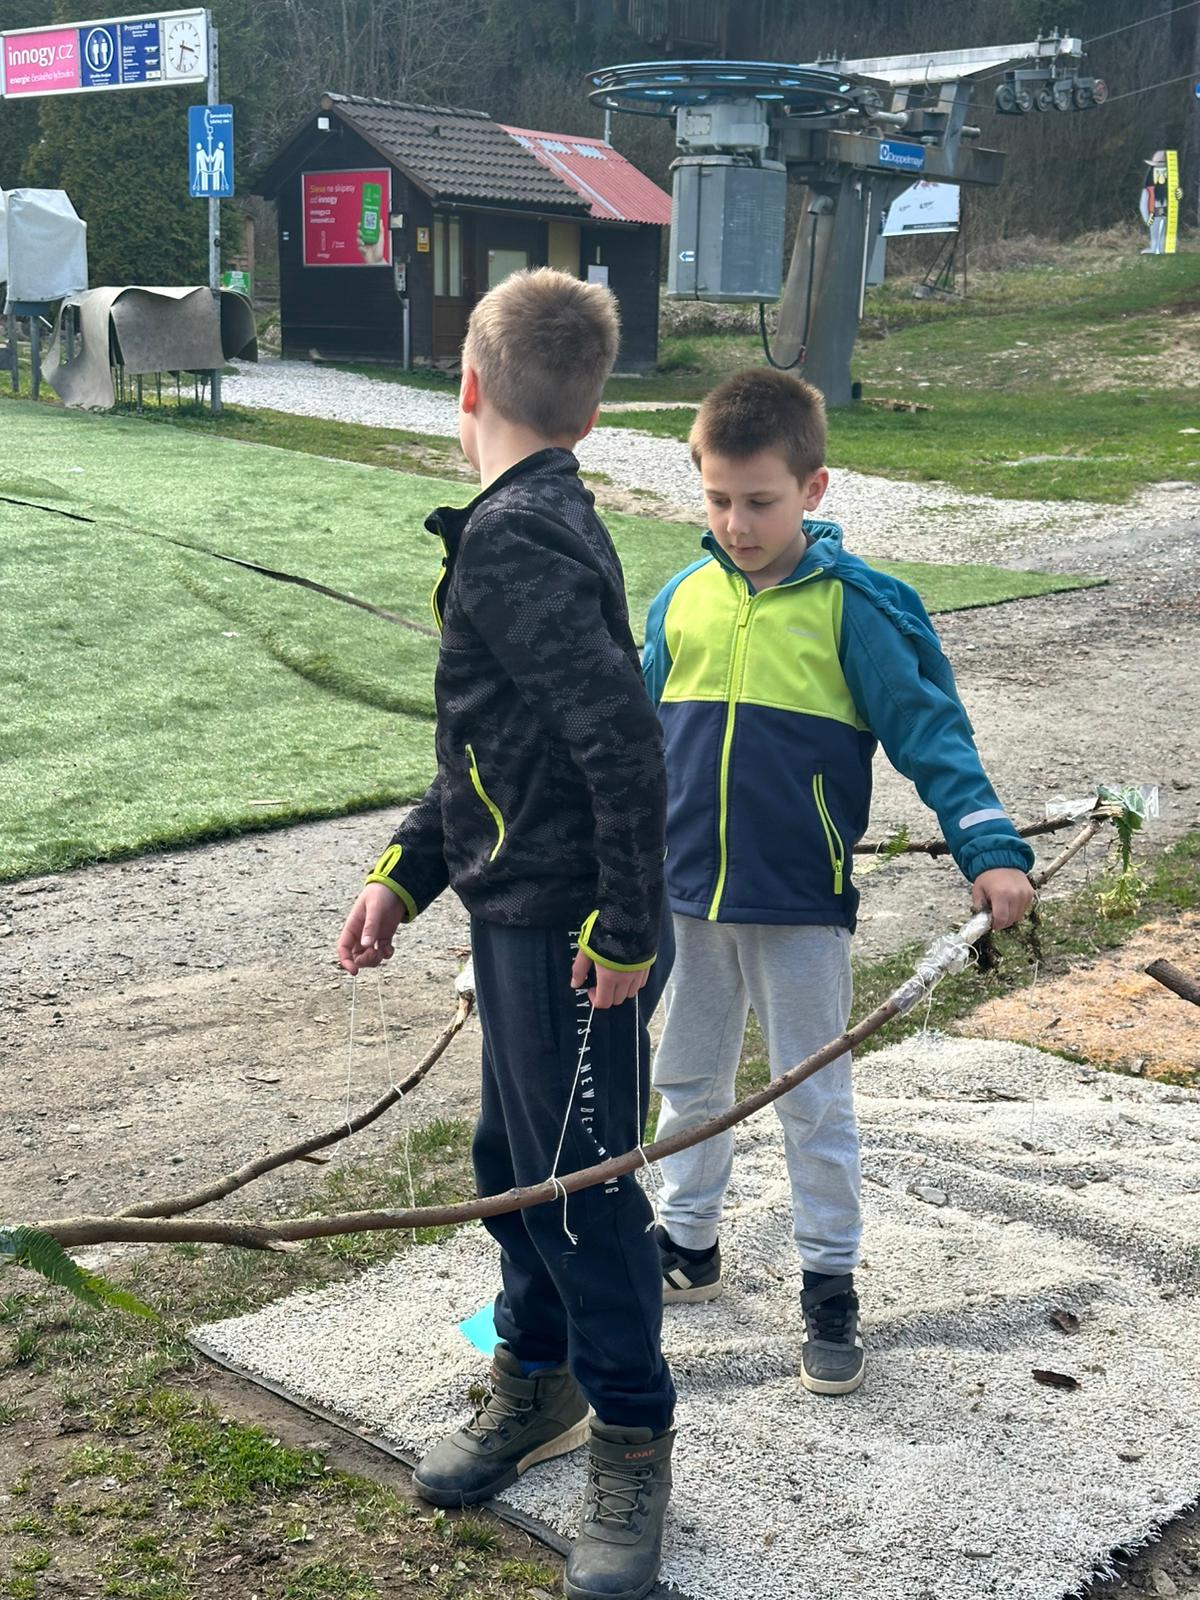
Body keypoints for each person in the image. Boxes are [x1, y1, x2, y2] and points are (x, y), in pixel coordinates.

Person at [337, 267, 675, 1600]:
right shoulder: (530, 519)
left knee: (581, 1193)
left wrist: (627, 928)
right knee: (511, 1164)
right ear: (589, 414)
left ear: (465, 386)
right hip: (521, 915)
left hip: (575, 935)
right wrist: (406, 874)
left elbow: (623, 747)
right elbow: (495, 747)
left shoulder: (514, 540)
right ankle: (539, 1381)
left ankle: (633, 1435)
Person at [641, 367, 1035, 1398]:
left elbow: (934, 736)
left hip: (799, 905)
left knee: (812, 1097)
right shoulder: (680, 600)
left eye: (760, 501)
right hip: (687, 900)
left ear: (813, 489)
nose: (737, 524)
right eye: (718, 499)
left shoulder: (858, 609)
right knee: (686, 1077)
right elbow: (634, 744)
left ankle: (828, 1281)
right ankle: (687, 1241)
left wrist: (991, 848)